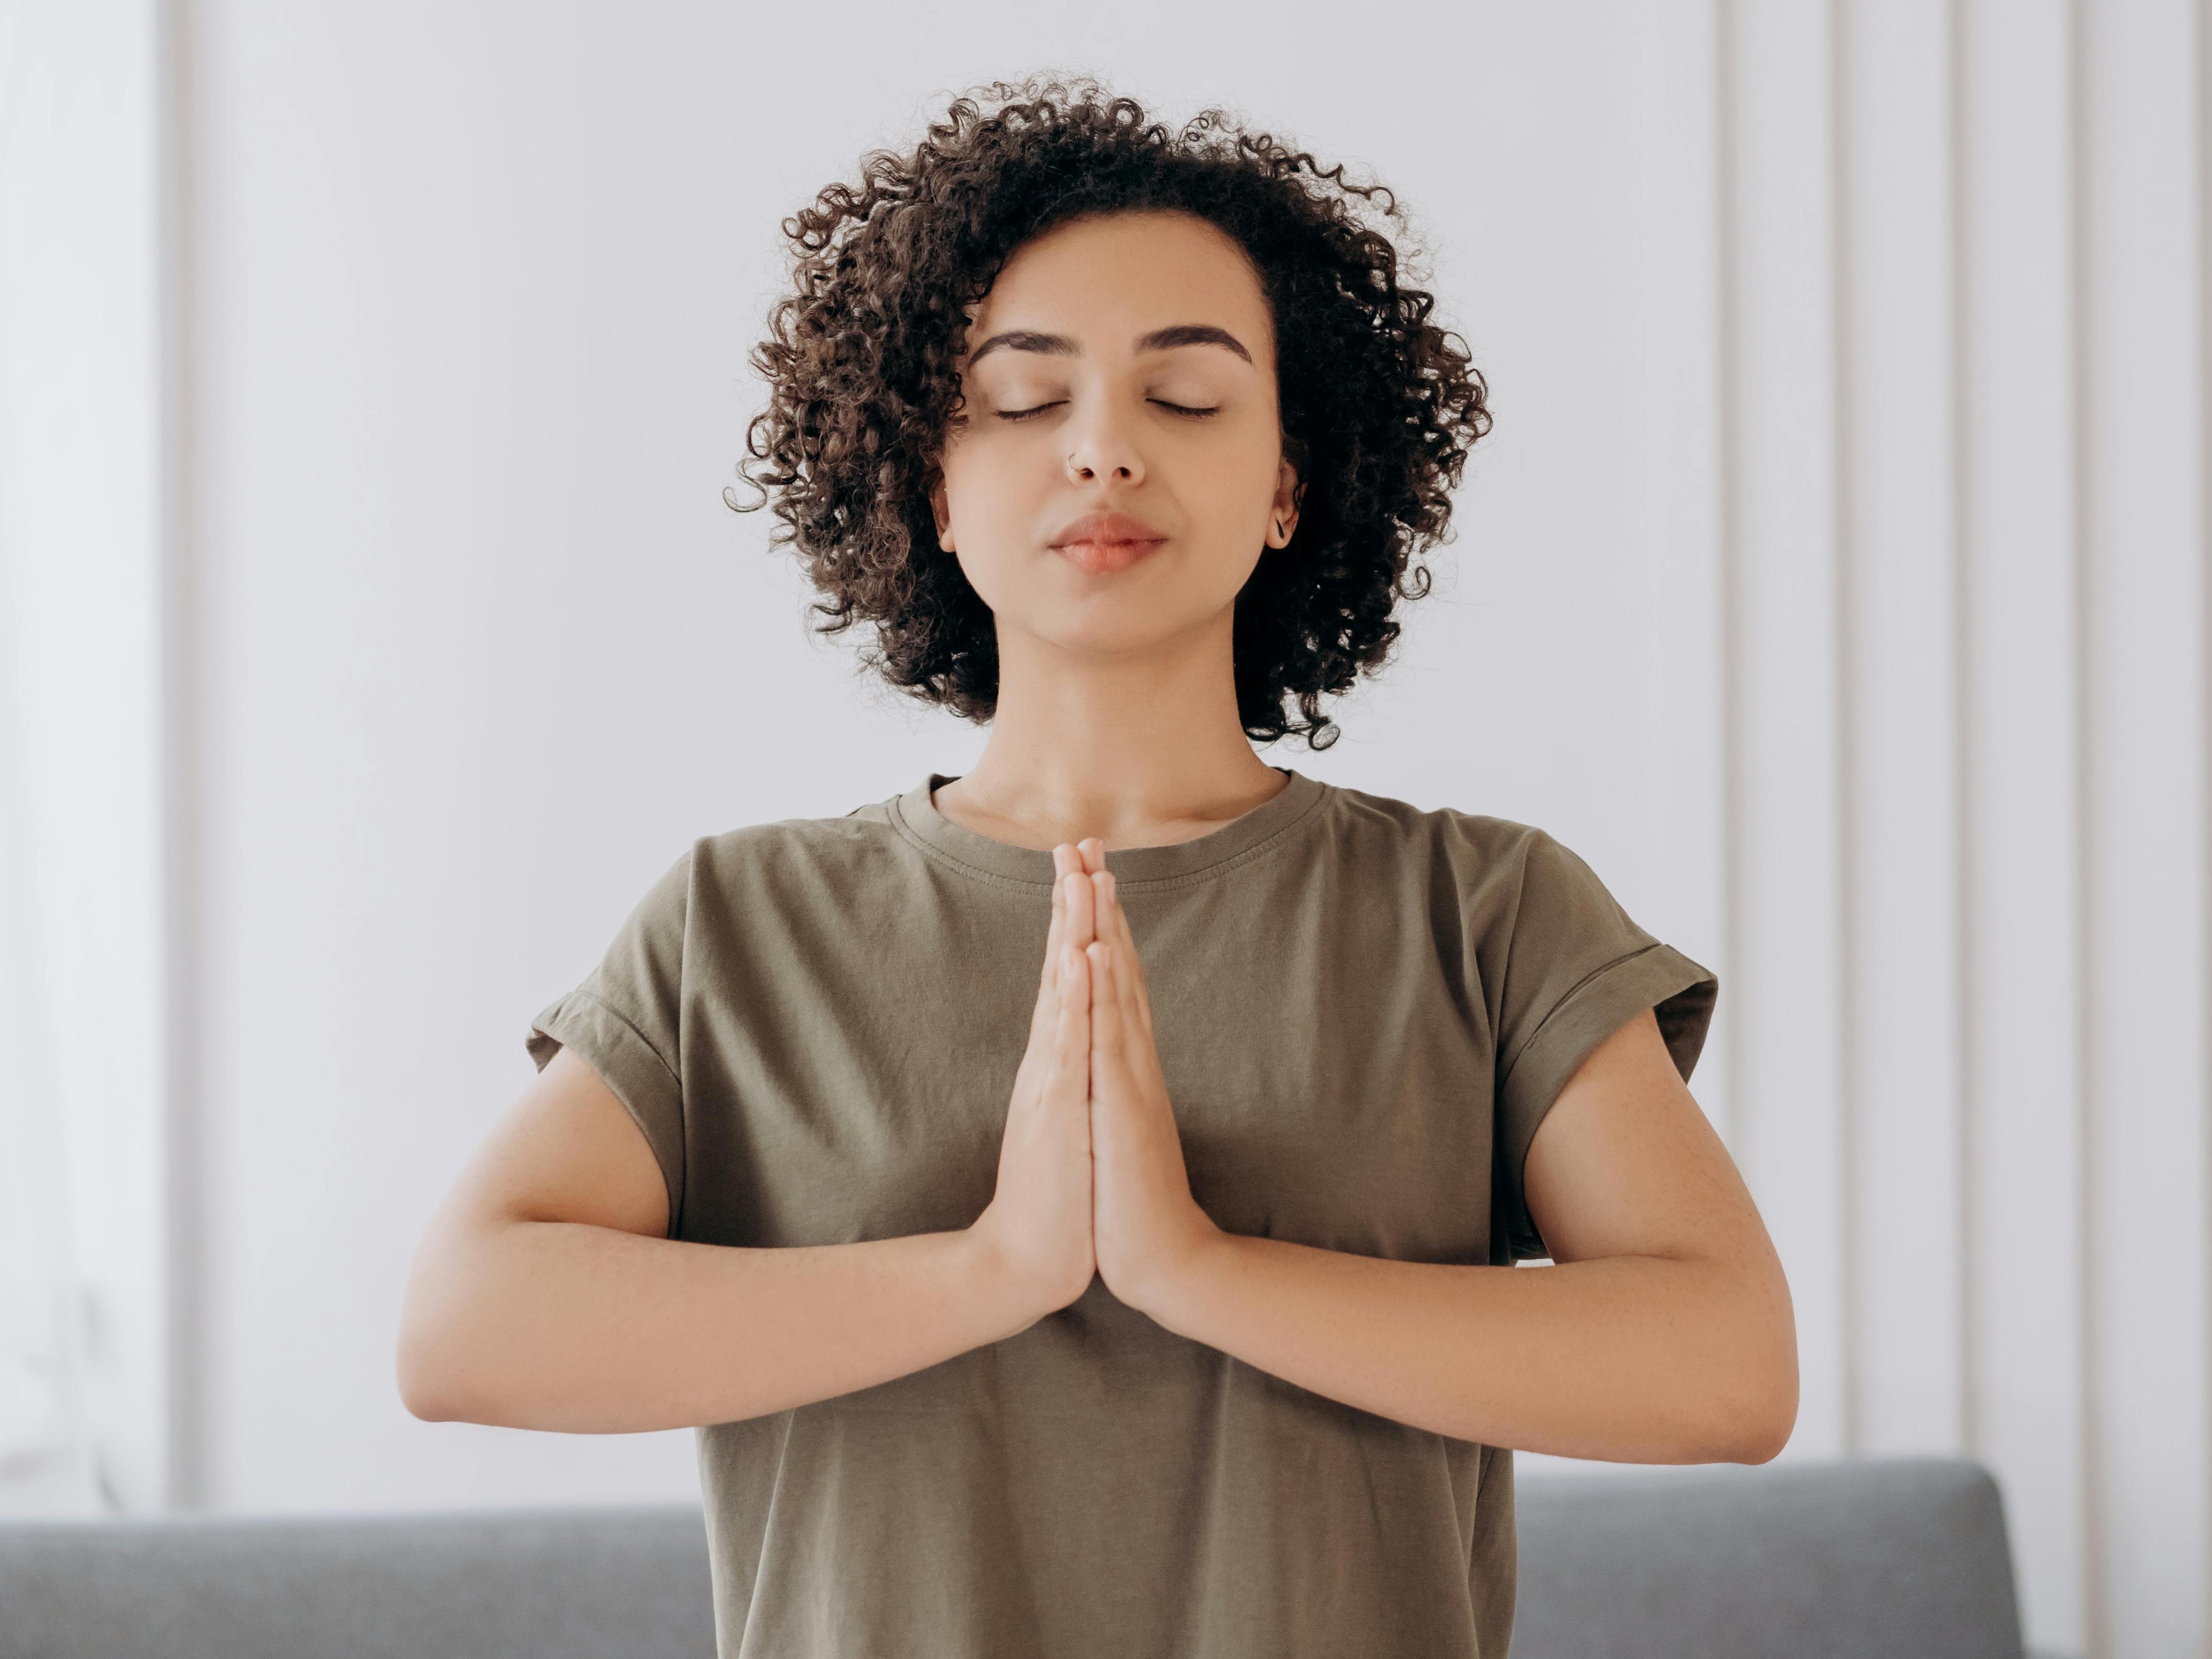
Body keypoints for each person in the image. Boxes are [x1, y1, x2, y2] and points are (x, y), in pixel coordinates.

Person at [396, 75, 1796, 1659]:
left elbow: (1727, 1367)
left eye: (1185, 399)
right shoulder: (744, 925)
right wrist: (994, 1268)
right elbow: (461, 1331)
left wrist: (1195, 1267)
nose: (1105, 451)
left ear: (1286, 484)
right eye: (1024, 396)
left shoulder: (1480, 913)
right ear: (932, 479)